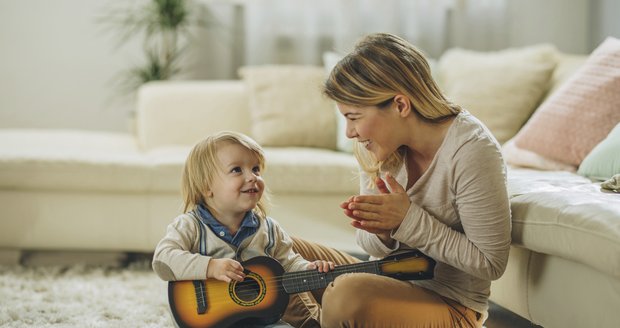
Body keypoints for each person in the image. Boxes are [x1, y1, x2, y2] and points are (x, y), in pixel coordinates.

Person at [314, 32, 512, 327]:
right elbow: (371, 247)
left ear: (401, 106)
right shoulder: (381, 146)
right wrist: (383, 231)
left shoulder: (471, 149)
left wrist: (407, 220)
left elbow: (490, 262)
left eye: (354, 117)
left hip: (451, 305)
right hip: (384, 276)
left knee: (345, 296)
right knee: (278, 252)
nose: (349, 132)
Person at [152, 131, 335, 328]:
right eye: (237, 170)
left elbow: (288, 263)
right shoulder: (190, 226)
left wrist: (308, 268)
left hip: (258, 319)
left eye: (256, 169)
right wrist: (210, 267)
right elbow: (163, 259)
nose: (252, 177)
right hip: (206, 321)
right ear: (206, 187)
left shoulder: (269, 229)